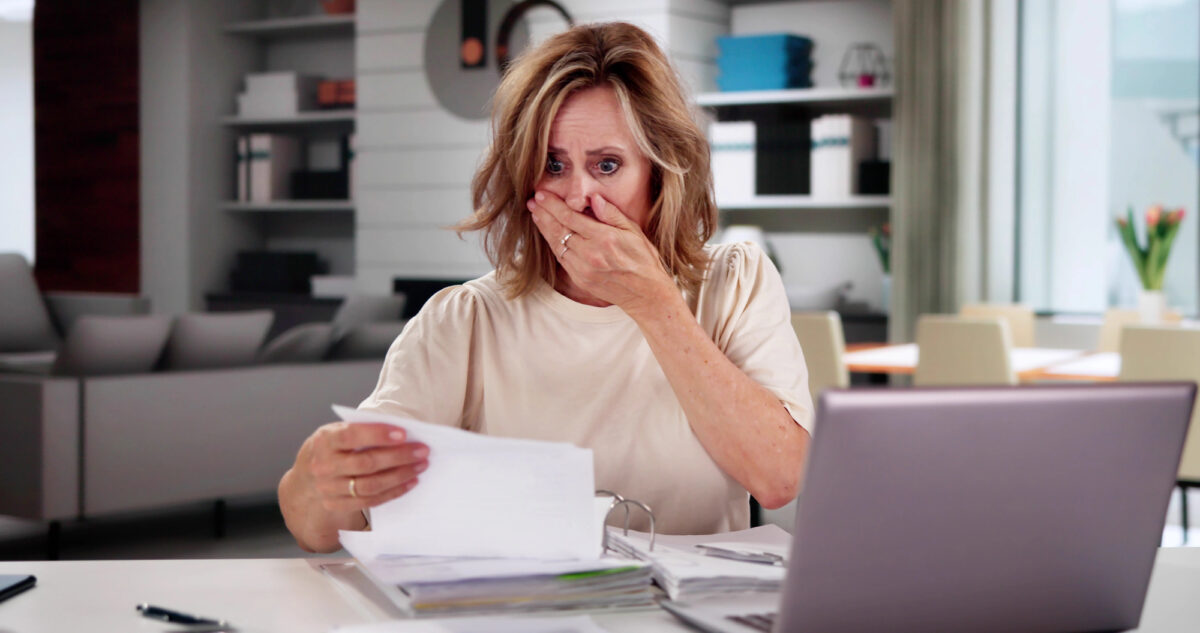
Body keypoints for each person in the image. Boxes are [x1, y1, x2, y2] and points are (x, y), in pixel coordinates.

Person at [279, 22, 813, 553]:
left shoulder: (734, 281)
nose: (579, 196)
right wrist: (318, 475)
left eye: (607, 165)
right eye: (553, 165)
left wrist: (651, 303)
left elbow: (779, 479)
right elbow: (320, 528)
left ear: (658, 175)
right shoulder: (465, 319)